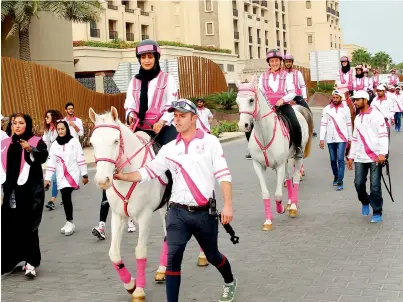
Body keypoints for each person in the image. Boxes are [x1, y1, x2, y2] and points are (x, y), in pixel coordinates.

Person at [114, 99, 237, 302]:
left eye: (182, 115)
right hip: (177, 213)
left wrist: (228, 206)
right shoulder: (169, 148)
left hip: (204, 212)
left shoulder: (210, 143)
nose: (177, 120)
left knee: (213, 255)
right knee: (172, 261)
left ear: (194, 118)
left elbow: (224, 175)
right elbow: (149, 171)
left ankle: (229, 281)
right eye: (175, 116)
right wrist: (125, 177)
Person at [1, 114, 48, 277]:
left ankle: (31, 262)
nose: (17, 126)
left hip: (30, 193)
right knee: (9, 226)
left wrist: (30, 149)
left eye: (21, 123)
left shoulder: (35, 141)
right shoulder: (5, 144)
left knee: (29, 227)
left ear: (27, 125)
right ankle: (9, 262)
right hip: (10, 193)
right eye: (14, 123)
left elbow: (43, 156)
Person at [347, 90, 388, 223]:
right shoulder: (358, 118)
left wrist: (383, 153)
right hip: (360, 156)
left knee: (375, 185)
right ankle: (365, 201)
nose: (355, 102)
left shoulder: (376, 115)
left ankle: (377, 211)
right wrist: (351, 156)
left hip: (375, 156)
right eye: (354, 100)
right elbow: (354, 138)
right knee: (358, 183)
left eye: (357, 100)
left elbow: (383, 135)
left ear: (365, 100)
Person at [44, 120, 88, 236]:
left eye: (62, 129)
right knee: (65, 198)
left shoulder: (74, 142)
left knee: (65, 196)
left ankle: (70, 222)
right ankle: (69, 221)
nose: (60, 131)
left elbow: (80, 158)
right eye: (58, 129)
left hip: (72, 174)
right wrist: (47, 178)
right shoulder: (55, 144)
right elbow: (51, 163)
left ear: (66, 129)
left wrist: (84, 174)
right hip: (60, 175)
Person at [259, 49, 303, 158]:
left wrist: (282, 100)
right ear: (268, 62)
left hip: (283, 106)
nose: (274, 63)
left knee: (295, 124)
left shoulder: (286, 75)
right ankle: (252, 148)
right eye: (272, 61)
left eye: (276, 61)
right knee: (251, 122)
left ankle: (298, 147)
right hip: (267, 108)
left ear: (280, 62)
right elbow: (260, 92)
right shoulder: (262, 76)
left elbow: (293, 92)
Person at [319, 90, 352, 191]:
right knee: (333, 159)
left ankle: (340, 181)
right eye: (334, 97)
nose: (335, 99)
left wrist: (350, 138)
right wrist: (321, 139)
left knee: (340, 159)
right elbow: (323, 124)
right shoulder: (326, 109)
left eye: (337, 97)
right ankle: (336, 176)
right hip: (330, 138)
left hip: (342, 138)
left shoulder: (346, 109)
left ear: (341, 98)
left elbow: (349, 124)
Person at [42, 109, 63, 210]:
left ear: (53, 117)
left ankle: (52, 200)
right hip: (52, 157)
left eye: (48, 117)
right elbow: (45, 142)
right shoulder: (48, 130)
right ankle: (63, 193)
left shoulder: (61, 128)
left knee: (55, 178)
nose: (45, 119)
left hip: (62, 158)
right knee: (56, 178)